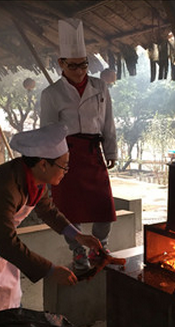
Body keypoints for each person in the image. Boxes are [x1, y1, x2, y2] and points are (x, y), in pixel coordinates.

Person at [0, 123, 102, 327]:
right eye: (64, 166)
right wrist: (51, 270)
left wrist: (77, 236)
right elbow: (7, 244)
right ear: (43, 164)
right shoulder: (4, 186)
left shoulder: (35, 178)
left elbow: (48, 210)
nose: (66, 171)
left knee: (8, 301)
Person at [40, 18, 117, 275]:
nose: (80, 70)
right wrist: (50, 166)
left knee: (104, 207)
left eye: (83, 64)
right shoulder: (51, 94)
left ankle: (99, 248)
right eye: (73, 66)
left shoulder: (100, 86)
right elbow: (48, 132)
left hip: (94, 153)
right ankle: (78, 253)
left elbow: (108, 123)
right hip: (66, 157)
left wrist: (112, 151)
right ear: (61, 64)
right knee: (69, 210)